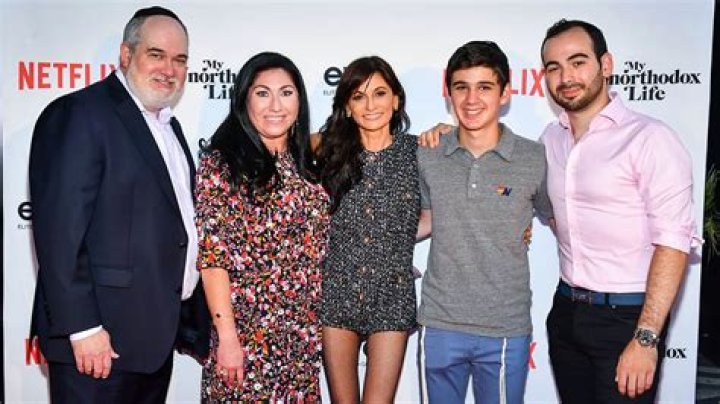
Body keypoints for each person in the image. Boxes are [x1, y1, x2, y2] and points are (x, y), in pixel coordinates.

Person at [29, 6, 209, 403]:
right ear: (126, 55)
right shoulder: (80, 114)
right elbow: (60, 233)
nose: (169, 69)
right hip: (97, 345)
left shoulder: (169, 127)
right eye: (156, 54)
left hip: (150, 343)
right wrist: (83, 328)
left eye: (179, 59)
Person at [539, 19, 700, 402]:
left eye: (578, 62)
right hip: (565, 314)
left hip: (627, 319)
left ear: (606, 64)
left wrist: (646, 338)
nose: (566, 77)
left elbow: (673, 245)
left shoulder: (650, 138)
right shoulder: (550, 139)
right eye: (554, 67)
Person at [416, 41, 552, 404]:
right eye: (461, 87)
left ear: (505, 93)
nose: (471, 99)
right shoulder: (428, 153)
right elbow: (426, 219)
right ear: (449, 93)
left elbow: (555, 217)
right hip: (440, 322)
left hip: (504, 326)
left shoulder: (534, 157)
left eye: (484, 87)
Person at [195, 51, 330, 402]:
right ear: (244, 100)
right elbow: (213, 258)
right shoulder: (222, 164)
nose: (276, 106)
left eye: (286, 92)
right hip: (245, 340)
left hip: (301, 341)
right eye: (262, 93)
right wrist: (227, 337)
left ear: (299, 100)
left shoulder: (308, 165)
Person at [316, 56, 420, 403]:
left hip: (392, 293)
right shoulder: (328, 152)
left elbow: (438, 212)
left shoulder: (418, 152)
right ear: (347, 106)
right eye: (358, 96)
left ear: (396, 100)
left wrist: (398, 235)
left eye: (379, 93)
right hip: (337, 290)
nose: (370, 105)